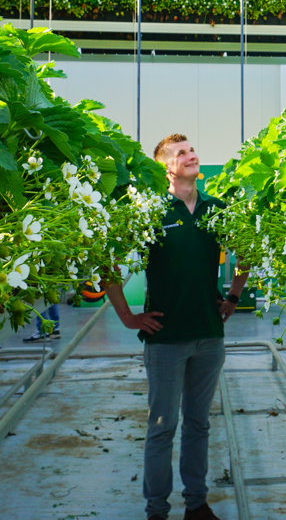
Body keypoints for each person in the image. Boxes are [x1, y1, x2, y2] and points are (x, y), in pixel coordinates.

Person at [104, 134, 247, 520]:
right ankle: (157, 510)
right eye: (180, 153)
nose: (190, 155)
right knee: (162, 426)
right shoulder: (150, 211)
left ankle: (196, 505)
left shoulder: (216, 210)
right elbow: (107, 263)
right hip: (164, 338)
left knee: (199, 424)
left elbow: (246, 251)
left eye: (192, 150)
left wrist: (233, 296)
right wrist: (127, 316)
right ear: (166, 168)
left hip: (209, 336)